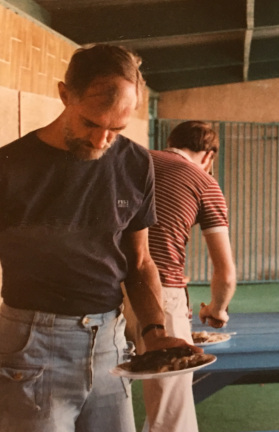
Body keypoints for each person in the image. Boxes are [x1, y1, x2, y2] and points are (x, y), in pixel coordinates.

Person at [0, 44, 195, 432]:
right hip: (31, 344)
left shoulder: (137, 164)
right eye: (91, 123)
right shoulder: (11, 167)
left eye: (116, 129)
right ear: (64, 94)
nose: (102, 139)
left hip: (109, 341)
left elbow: (139, 263)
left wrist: (154, 333)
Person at [139, 121, 236, 432]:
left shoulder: (137, 161)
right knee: (171, 405)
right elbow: (225, 272)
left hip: (106, 289)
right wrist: (217, 309)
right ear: (208, 156)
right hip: (161, 293)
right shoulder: (205, 182)